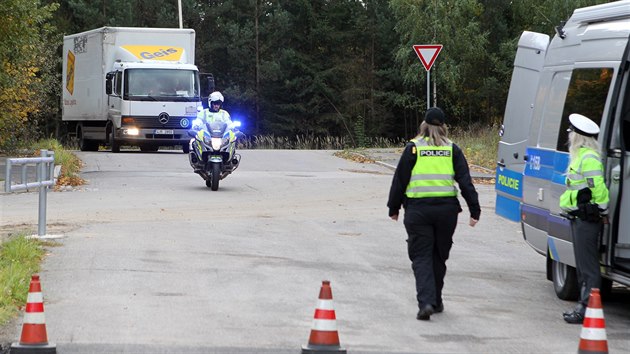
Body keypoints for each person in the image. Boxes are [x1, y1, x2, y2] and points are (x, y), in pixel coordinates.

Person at [387, 107, 480, 321]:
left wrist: (393, 208)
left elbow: (400, 180)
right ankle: (436, 300)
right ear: (444, 126)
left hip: (418, 211)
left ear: (423, 125)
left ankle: (426, 302)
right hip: (447, 212)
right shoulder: (452, 149)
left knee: (421, 256)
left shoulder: (414, 148)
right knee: (439, 256)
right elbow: (465, 182)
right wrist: (474, 210)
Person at [559, 113, 609, 324]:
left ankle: (588, 307)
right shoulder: (581, 156)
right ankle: (583, 304)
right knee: (582, 265)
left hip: (587, 219)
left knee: (588, 267)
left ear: (579, 136)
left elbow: (599, 188)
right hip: (578, 217)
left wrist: (602, 211)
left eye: (571, 132)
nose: (569, 135)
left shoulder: (588, 158)